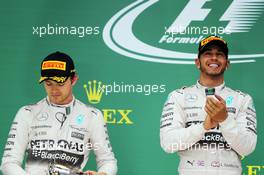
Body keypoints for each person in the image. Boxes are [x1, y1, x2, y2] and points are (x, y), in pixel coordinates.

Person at [1, 51, 117, 175]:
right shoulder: (27, 113)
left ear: (74, 79)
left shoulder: (92, 115)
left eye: (60, 83)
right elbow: (9, 162)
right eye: (48, 83)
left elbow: (107, 161)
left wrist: (103, 174)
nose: (54, 90)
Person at [160, 35, 257, 175]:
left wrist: (225, 120)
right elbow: (168, 144)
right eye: (208, 53)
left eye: (220, 54)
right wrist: (203, 126)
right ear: (197, 62)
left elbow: (247, 148)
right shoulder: (178, 97)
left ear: (227, 63)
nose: (214, 58)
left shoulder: (242, 99)